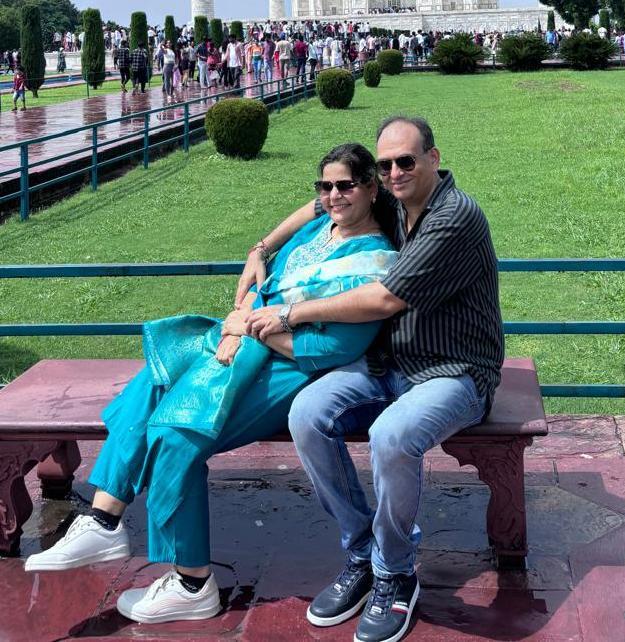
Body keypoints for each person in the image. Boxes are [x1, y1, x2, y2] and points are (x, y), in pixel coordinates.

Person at [24, 143, 398, 627]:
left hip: (290, 365)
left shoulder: (375, 261)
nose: (333, 196)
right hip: (243, 338)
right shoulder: (319, 226)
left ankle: (192, 583)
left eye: (345, 186)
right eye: (324, 186)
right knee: (157, 376)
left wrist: (250, 327)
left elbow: (336, 349)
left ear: (371, 188)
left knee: (179, 434)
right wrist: (255, 264)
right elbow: (276, 266)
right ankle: (102, 519)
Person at [243, 116, 504, 642]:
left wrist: (291, 313)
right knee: (308, 413)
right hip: (392, 364)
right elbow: (320, 205)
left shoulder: (453, 217)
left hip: (455, 371)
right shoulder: (395, 200)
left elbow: (384, 299)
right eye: (384, 166)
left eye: (405, 161)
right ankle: (363, 550)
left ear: (433, 158)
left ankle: (395, 572)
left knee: (392, 436)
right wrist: (260, 250)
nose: (394, 172)